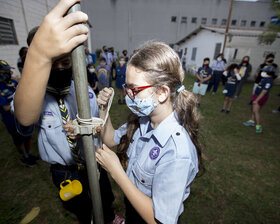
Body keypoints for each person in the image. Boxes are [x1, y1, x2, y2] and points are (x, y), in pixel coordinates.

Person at [13, 2, 118, 223]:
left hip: (93, 160)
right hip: (65, 172)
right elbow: (24, 120)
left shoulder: (83, 90)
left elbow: (99, 129)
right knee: (82, 211)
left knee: (105, 201)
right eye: (54, 63)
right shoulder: (34, 96)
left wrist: (96, 119)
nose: (61, 68)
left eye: (66, 62)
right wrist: (39, 56)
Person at [95, 42, 202, 224]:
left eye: (134, 89)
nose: (128, 94)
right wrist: (103, 109)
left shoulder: (177, 151)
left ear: (162, 92)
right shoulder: (143, 119)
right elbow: (110, 138)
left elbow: (158, 220)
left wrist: (117, 172)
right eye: (126, 87)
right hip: (133, 209)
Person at [0, 60, 36, 167]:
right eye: (4, 72)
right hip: (10, 118)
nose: (8, 73)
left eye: (8, 71)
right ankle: (24, 156)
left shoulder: (13, 83)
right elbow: (6, 107)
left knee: (27, 135)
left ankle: (29, 154)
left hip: (23, 116)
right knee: (18, 138)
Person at [243, 65, 275, 133]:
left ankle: (258, 126)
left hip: (260, 97)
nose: (262, 72)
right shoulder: (264, 78)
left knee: (256, 111)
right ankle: (251, 121)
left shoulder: (269, 81)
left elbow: (264, 92)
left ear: (269, 73)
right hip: (257, 94)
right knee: (253, 109)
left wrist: (256, 100)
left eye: (264, 71)